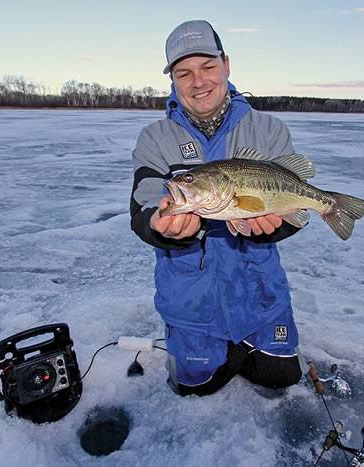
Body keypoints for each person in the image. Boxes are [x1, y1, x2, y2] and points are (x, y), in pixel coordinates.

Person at [130, 20, 304, 396]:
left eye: (208, 67)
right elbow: (143, 206)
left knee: (281, 378)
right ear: (173, 80)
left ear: (226, 64)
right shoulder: (154, 139)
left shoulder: (269, 129)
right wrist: (159, 225)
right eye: (184, 73)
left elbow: (289, 202)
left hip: (260, 296)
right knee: (193, 388)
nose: (199, 81)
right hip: (191, 302)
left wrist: (277, 225)